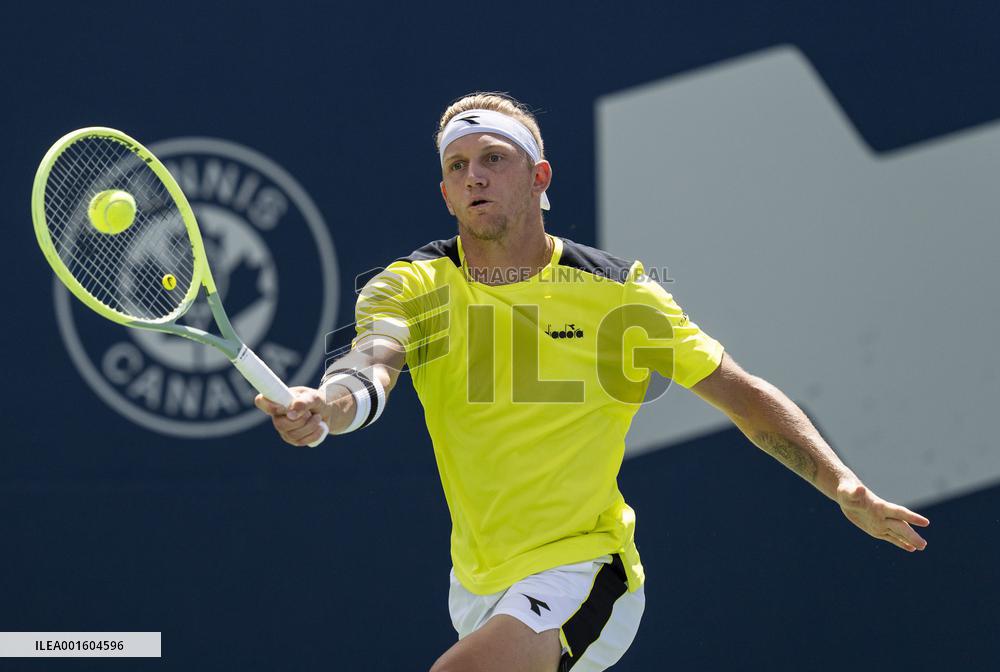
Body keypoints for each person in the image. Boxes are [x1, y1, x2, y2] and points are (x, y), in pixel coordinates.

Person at [254, 92, 930, 672]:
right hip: (477, 584)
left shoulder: (618, 295)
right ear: (445, 194)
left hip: (588, 569)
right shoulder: (411, 286)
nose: (474, 176)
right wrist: (329, 406)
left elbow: (744, 397)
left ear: (539, 177)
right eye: (457, 167)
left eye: (493, 158)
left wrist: (843, 485)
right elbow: (371, 364)